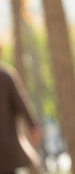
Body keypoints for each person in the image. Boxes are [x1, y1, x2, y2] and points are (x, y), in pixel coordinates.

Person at [0, 43, 40, 174]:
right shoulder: (5, 75)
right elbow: (21, 103)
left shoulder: (5, 76)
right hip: (6, 148)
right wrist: (32, 125)